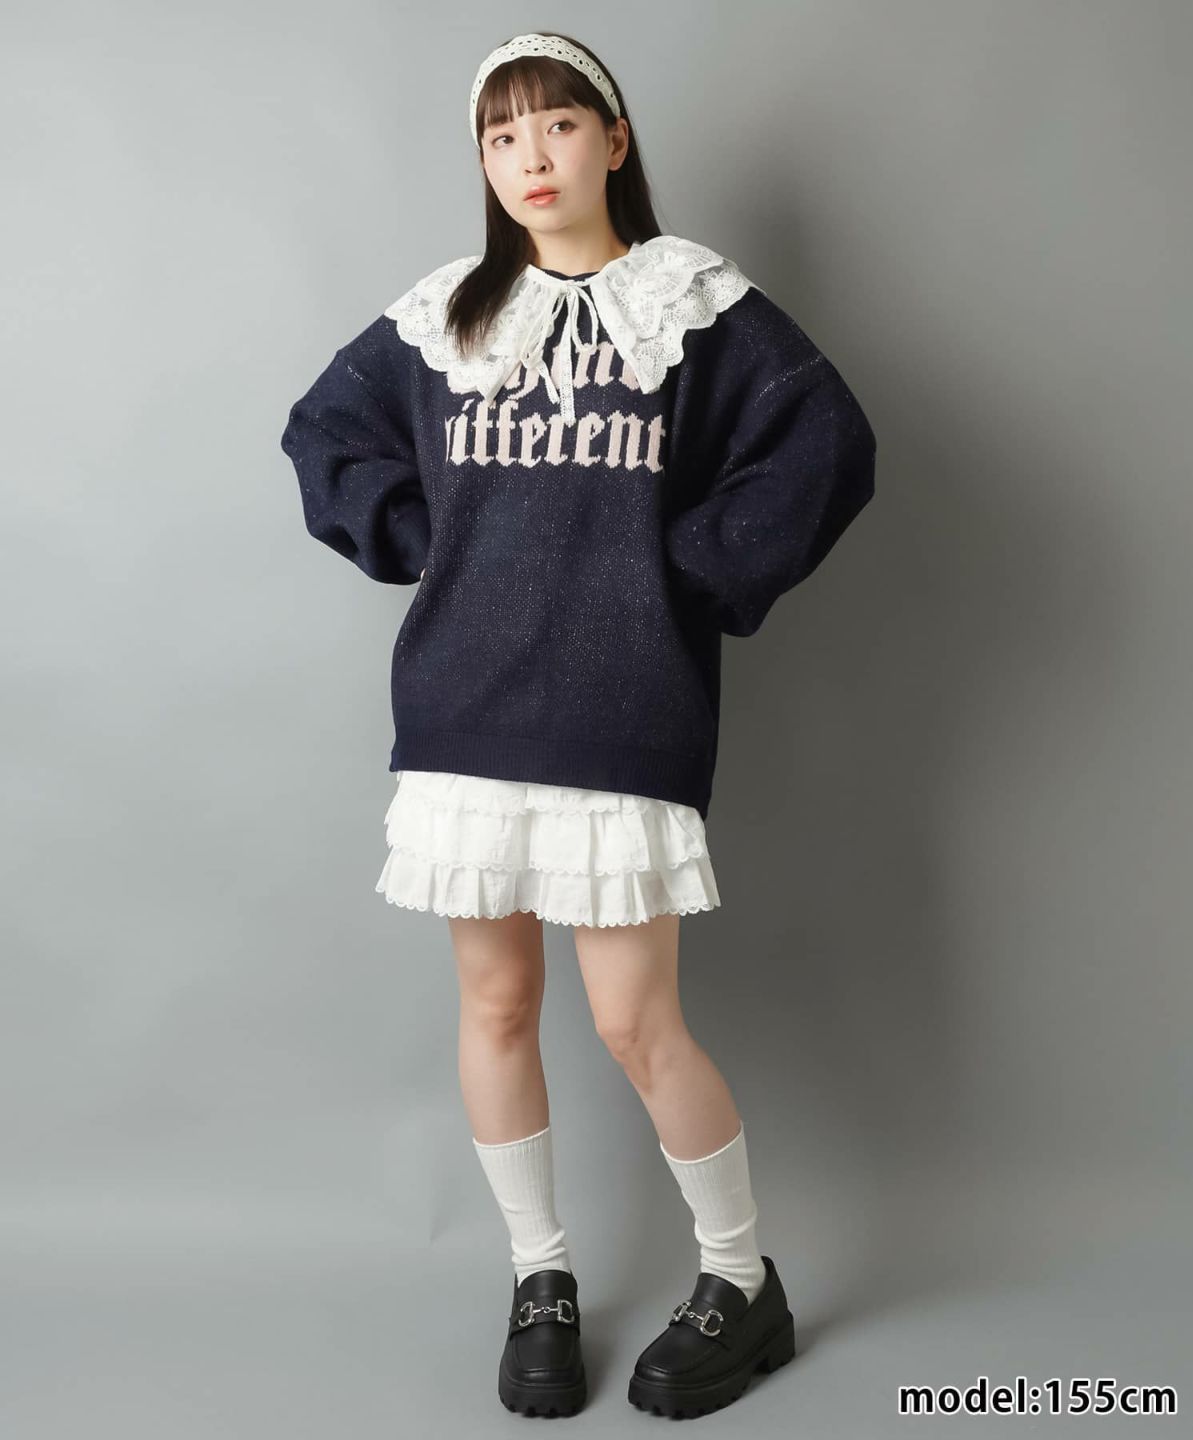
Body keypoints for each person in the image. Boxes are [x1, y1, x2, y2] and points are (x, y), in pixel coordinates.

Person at [280, 30, 876, 1421]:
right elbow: (325, 436)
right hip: (464, 708)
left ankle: (739, 1277)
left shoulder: (691, 303)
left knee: (632, 1021)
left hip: (624, 709)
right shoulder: (446, 315)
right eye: (500, 137)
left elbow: (825, 443)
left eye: (554, 125)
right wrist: (438, 548)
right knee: (496, 1002)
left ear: (613, 140)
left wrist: (683, 575)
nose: (529, 157)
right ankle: (538, 1274)